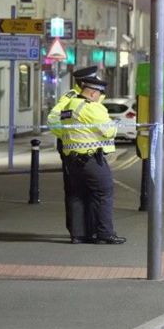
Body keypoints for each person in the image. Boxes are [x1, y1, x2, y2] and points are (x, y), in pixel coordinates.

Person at [49, 76, 126, 245]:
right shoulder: (92, 108)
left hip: (72, 159)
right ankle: (105, 234)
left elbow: (56, 124)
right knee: (104, 192)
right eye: (99, 93)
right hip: (91, 158)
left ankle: (79, 235)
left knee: (77, 195)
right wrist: (115, 124)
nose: (99, 97)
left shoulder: (69, 105)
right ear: (92, 92)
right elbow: (108, 131)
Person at [46, 66, 100, 243]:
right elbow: (53, 119)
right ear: (85, 83)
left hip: (92, 148)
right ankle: (78, 233)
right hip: (73, 150)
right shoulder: (69, 97)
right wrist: (68, 136)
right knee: (75, 190)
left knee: (92, 191)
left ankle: (91, 231)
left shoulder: (94, 96)